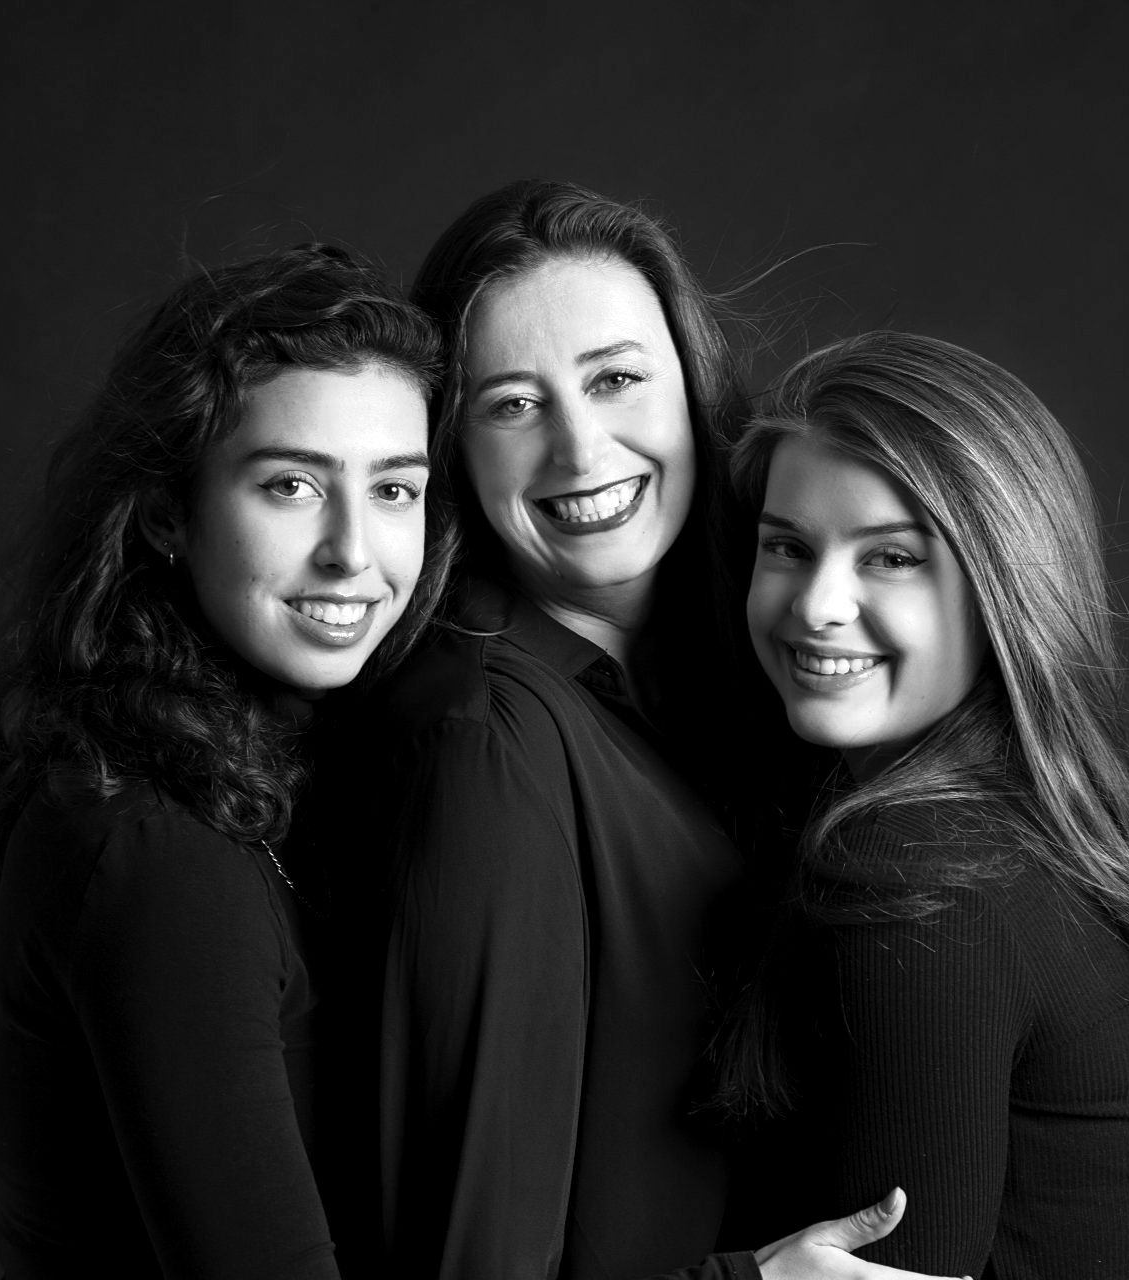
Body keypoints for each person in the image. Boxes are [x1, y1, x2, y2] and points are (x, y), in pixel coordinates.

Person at [332, 181, 956, 1280]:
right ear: (453, 448)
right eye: (512, 404)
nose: (581, 450)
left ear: (690, 385)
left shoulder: (777, 663)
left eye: (616, 379)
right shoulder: (487, 743)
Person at [716, 332, 1129, 1278]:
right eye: (788, 547)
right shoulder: (1043, 839)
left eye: (891, 558)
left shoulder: (918, 870)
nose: (818, 605)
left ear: (1005, 587)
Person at [0, 244, 454, 1279]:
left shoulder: (251, 784)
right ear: (169, 510)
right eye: (292, 485)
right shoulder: (155, 849)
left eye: (395, 489)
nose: (355, 551)